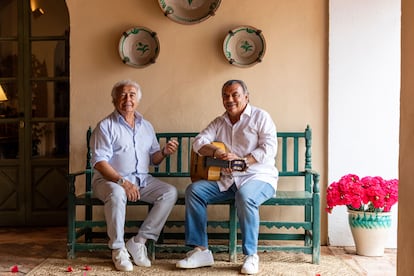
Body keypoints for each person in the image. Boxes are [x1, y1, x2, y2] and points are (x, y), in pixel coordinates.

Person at [176, 80, 278, 275]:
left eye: (235, 95)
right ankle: (201, 251)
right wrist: (216, 151)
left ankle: (251, 256)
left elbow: (270, 148)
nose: (229, 99)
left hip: (258, 177)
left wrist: (243, 161)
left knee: (246, 196)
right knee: (194, 191)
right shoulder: (219, 122)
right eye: (225, 95)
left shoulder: (260, 116)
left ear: (246, 97)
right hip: (227, 181)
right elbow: (198, 142)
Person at [90, 79, 179, 272]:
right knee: (117, 193)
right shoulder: (105, 126)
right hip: (108, 180)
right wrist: (123, 182)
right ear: (114, 100)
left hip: (141, 180)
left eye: (132, 95)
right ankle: (118, 249)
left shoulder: (146, 126)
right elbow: (99, 162)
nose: (127, 99)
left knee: (169, 192)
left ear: (137, 100)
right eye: (122, 94)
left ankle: (139, 242)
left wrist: (164, 152)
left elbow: (153, 159)